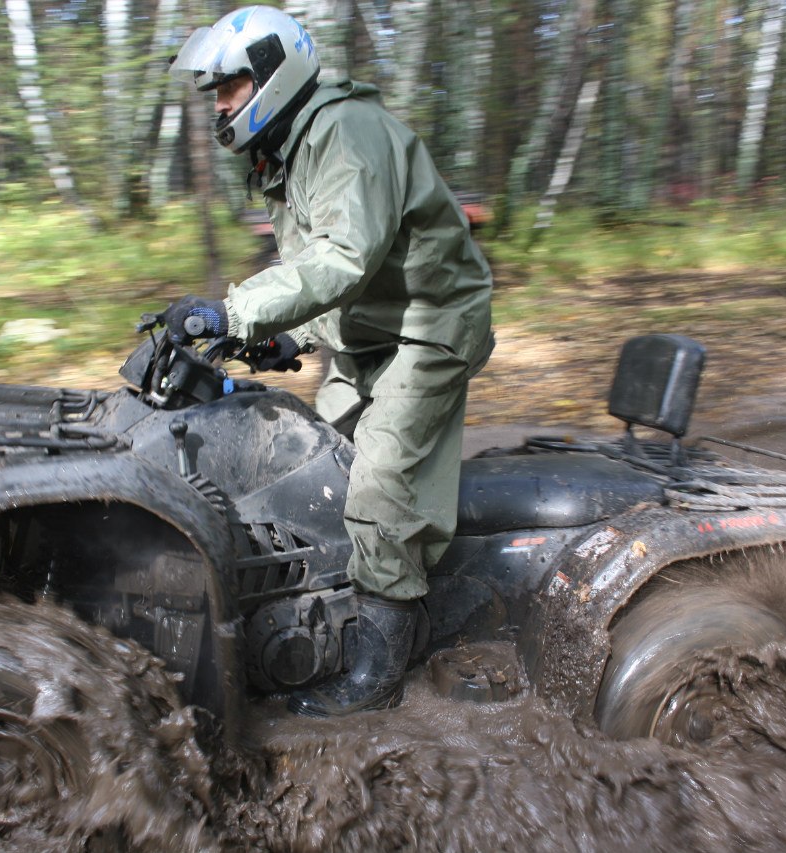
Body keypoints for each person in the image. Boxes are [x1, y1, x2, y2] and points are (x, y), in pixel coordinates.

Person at [163, 5, 493, 717]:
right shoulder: (288, 149)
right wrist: (286, 338)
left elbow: (345, 257)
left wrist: (238, 308)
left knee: (378, 479)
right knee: (319, 467)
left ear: (276, 76)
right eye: (214, 90)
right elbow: (329, 273)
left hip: (430, 323)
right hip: (370, 328)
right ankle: (322, 615)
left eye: (230, 86)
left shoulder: (345, 132)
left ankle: (381, 666)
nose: (220, 104)